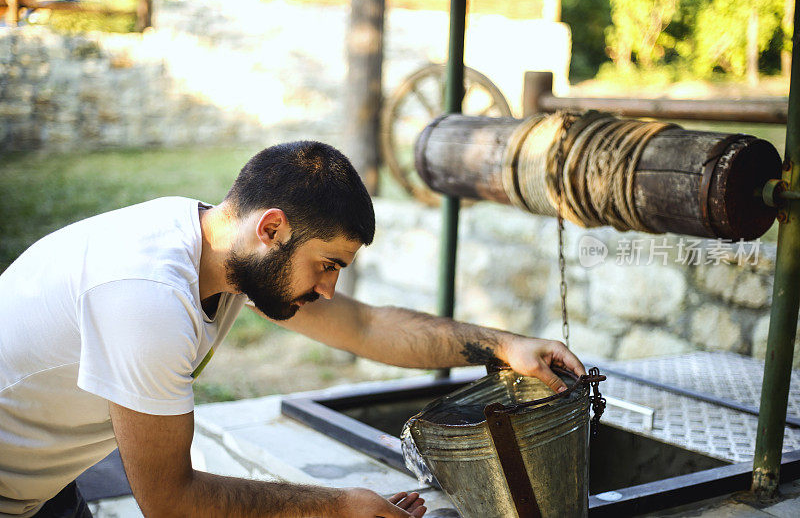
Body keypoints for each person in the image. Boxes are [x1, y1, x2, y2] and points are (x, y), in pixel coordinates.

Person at [0, 141, 586, 518]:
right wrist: (340, 507)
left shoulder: (223, 251)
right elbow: (170, 501)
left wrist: (504, 345)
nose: (329, 289)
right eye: (327, 264)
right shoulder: (147, 300)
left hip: (42, 488)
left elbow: (365, 325)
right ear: (273, 228)